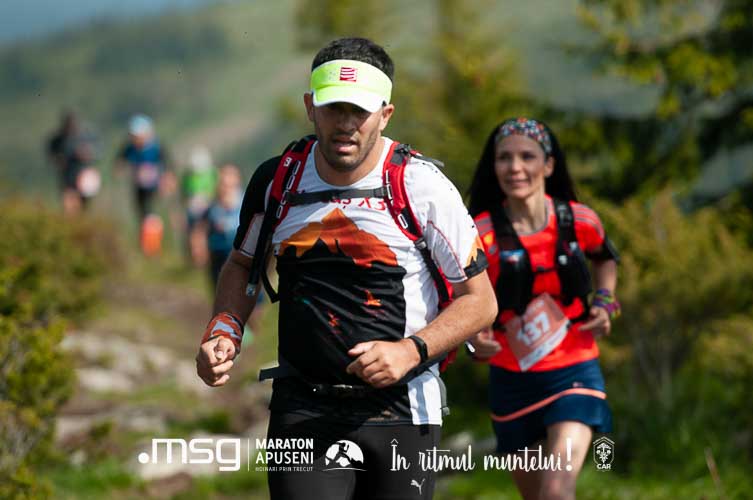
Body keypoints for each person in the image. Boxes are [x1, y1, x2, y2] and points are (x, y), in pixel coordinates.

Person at [195, 37, 497, 500]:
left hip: (404, 408)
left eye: (360, 110)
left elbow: (480, 301)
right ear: (310, 107)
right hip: (303, 406)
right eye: (334, 108)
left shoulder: (422, 186)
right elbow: (241, 264)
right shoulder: (278, 180)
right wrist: (224, 327)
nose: (346, 123)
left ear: (385, 114)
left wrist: (410, 351)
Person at [467, 117, 621, 500]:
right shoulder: (480, 234)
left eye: (527, 157)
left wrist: (605, 302)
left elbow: (605, 258)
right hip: (512, 380)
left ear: (548, 165)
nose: (515, 167)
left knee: (556, 490)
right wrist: (474, 337)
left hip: (574, 371)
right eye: (504, 158)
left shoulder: (579, 220)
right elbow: (462, 297)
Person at [115, 114, 175, 254]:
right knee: (142, 214)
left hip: (155, 187)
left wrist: (168, 180)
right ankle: (145, 244)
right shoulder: (130, 147)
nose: (137, 139)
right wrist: (120, 169)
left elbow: (168, 165)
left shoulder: (156, 147)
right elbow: (120, 160)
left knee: (153, 215)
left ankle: (155, 244)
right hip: (139, 186)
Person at [46, 111, 100, 215]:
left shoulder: (84, 137)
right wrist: (58, 160)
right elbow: (52, 153)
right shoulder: (59, 139)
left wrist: (85, 154)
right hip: (68, 178)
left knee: (83, 208)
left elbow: (96, 153)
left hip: (84, 179)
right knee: (69, 208)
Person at [181, 146, 218, 267]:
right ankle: (198, 260)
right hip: (194, 212)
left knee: (203, 235)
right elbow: (185, 195)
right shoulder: (188, 177)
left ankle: (205, 259)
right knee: (195, 235)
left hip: (208, 211)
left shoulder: (213, 174)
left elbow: (216, 192)